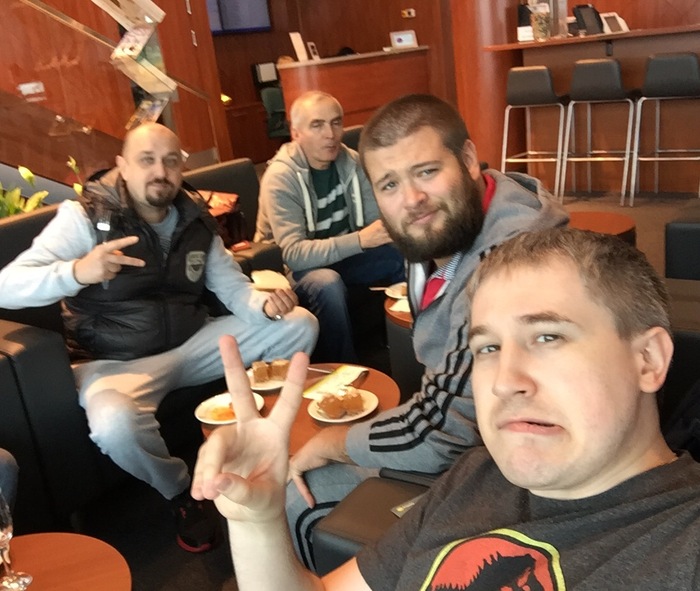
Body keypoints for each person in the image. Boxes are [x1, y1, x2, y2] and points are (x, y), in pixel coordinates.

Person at [192, 228, 700, 589]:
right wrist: (257, 521)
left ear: (648, 360)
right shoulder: (475, 476)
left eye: (547, 337)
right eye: (488, 348)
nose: (505, 381)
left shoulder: (681, 542)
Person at [0, 123, 318, 553]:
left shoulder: (195, 218)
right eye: (146, 160)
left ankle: (267, 440)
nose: (160, 171)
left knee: (300, 324)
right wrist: (77, 272)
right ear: (123, 166)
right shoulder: (84, 217)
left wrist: (265, 305)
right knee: (114, 425)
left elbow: (233, 289)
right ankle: (181, 492)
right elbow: (6, 286)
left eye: (170, 161)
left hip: (193, 342)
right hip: (114, 362)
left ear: (181, 167)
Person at [284, 94, 568, 568]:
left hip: (518, 470)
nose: (412, 199)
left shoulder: (510, 269)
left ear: (469, 159)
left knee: (295, 495)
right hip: (478, 437)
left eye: (427, 171)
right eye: (390, 184)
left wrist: (330, 444)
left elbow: (443, 432)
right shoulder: (453, 226)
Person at [255, 90, 405, 363]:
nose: (331, 134)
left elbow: (375, 224)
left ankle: (406, 347)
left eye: (336, 123)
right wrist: (360, 240)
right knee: (327, 283)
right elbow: (293, 255)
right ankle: (342, 370)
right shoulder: (281, 178)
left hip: (344, 257)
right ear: (296, 133)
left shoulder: (352, 162)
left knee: (404, 256)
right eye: (317, 125)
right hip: (291, 273)